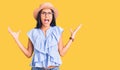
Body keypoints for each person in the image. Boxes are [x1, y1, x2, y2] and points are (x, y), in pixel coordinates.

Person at [8, 2, 82, 70]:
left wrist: (72, 37)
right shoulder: (33, 32)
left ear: (52, 16)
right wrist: (16, 39)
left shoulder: (57, 31)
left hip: (54, 68)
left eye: (49, 13)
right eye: (43, 13)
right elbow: (28, 54)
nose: (46, 16)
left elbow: (62, 52)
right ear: (39, 16)